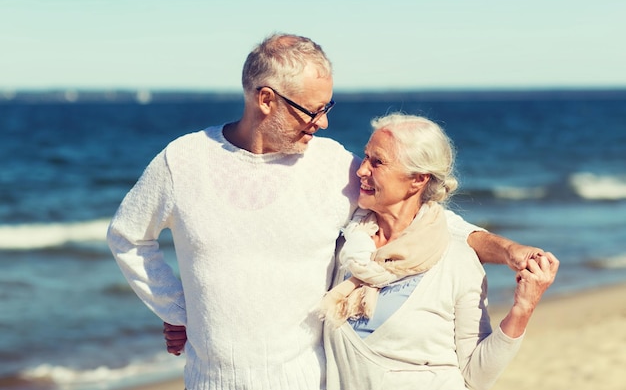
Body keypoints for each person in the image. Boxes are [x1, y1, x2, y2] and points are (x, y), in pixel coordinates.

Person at [108, 33, 544, 390]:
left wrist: (506, 248)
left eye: (327, 107)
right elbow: (128, 236)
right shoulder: (183, 161)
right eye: (313, 110)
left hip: (311, 380)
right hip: (210, 382)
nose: (323, 122)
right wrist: (179, 310)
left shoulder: (333, 164)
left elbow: (422, 213)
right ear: (266, 100)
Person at [318, 113, 559, 390]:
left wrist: (523, 308)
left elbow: (476, 376)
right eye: (365, 157)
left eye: (378, 161)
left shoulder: (457, 261)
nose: (361, 170)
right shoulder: (350, 243)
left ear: (417, 180)